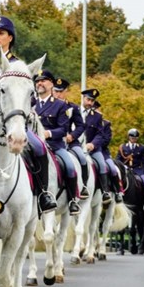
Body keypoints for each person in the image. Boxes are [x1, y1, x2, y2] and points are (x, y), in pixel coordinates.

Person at [34, 70, 80, 215]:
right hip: (32, 145)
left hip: (54, 145)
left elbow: (64, 129)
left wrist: (48, 133)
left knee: (70, 166)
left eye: (44, 80)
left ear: (51, 84)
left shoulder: (60, 105)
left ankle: (72, 200)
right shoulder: (30, 103)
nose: (40, 83)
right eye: (37, 81)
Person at [52, 77, 89, 198]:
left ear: (66, 92)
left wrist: (72, 136)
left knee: (82, 158)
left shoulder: (72, 107)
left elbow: (81, 126)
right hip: (53, 140)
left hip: (70, 142)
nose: (58, 94)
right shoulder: (48, 105)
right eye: (56, 91)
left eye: (61, 92)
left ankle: (83, 186)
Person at [82, 88, 112, 204]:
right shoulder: (74, 111)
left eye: (92, 101)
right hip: (76, 146)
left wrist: (92, 144)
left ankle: (105, 191)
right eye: (88, 99)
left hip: (93, 149)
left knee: (102, 164)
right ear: (83, 98)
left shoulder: (97, 117)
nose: (90, 103)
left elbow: (100, 134)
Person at [117, 128, 144, 209]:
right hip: (125, 169)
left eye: (135, 138)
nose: (133, 139)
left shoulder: (141, 147)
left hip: (138, 170)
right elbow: (118, 160)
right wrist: (123, 166)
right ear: (129, 137)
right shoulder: (122, 147)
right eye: (132, 137)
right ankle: (117, 197)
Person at [100, 117, 124, 202]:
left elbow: (106, 140)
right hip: (85, 150)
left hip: (103, 153)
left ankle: (118, 192)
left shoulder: (106, 123)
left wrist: (93, 144)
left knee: (113, 169)